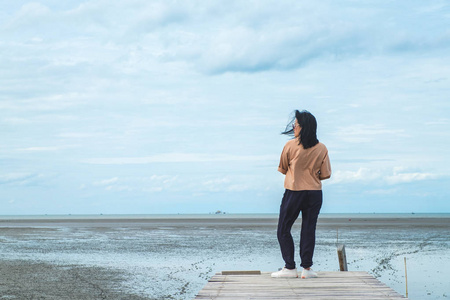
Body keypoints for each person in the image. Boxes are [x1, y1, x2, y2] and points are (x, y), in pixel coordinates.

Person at [271, 110, 331, 279]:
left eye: (295, 124)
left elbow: (283, 169)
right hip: (314, 192)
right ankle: (307, 268)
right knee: (308, 229)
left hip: (294, 191)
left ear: (302, 127)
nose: (293, 127)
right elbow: (325, 174)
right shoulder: (322, 148)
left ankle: (290, 268)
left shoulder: (290, 146)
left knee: (283, 229)